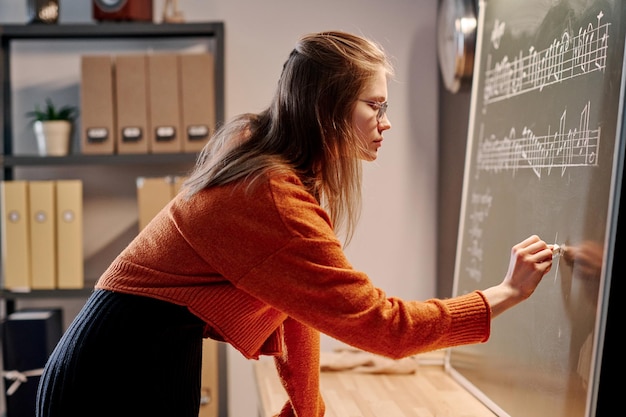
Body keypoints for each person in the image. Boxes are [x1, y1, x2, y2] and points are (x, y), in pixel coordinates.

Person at [36, 31, 554, 417]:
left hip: (127, 364)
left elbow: (295, 302)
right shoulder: (271, 195)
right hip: (114, 382)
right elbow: (383, 327)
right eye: (374, 106)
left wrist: (308, 409)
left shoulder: (265, 157)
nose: (386, 122)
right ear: (327, 109)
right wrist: (504, 294)